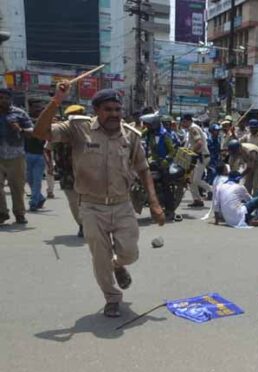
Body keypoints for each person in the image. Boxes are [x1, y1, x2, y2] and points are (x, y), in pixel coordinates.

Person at [33, 85, 164, 317]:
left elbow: (143, 169)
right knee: (100, 257)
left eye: (117, 109)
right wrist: (56, 101)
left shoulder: (130, 136)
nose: (114, 114)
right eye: (108, 109)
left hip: (123, 204)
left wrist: (154, 203)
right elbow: (40, 132)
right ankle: (112, 297)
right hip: (91, 206)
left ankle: (118, 264)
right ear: (96, 110)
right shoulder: (77, 128)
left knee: (130, 253)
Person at [47, 104, 85, 236]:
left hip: (88, 171)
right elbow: (48, 147)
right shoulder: (61, 129)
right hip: (66, 172)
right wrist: (50, 165)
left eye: (80, 113)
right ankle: (82, 224)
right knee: (74, 201)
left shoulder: (92, 128)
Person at [0, 88, 32, 225]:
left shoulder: (19, 113)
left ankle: (19, 213)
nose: (3, 100)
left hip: (16, 155)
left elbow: (32, 131)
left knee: (17, 187)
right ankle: (2, 213)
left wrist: (20, 129)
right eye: (0, 98)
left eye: (6, 98)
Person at [181, 113, 211, 207]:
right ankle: (197, 200)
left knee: (196, 180)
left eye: (184, 121)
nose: (182, 124)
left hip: (202, 157)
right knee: (190, 179)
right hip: (197, 157)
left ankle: (215, 191)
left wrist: (188, 152)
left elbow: (199, 143)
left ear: (188, 121)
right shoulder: (191, 129)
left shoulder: (193, 129)